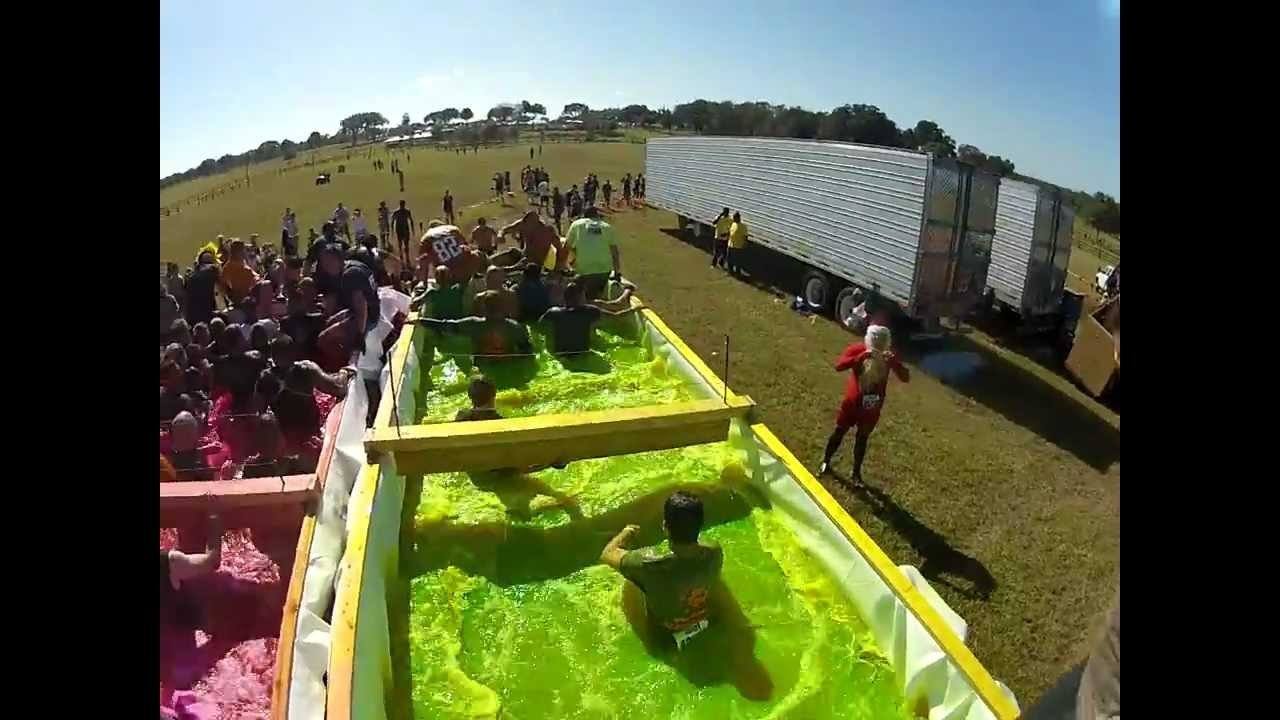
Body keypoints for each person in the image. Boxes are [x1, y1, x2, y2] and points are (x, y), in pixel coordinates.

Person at [818, 325, 909, 484]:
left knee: (862, 438)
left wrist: (893, 361)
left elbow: (905, 377)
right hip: (852, 403)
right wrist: (861, 357)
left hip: (871, 408)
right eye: (875, 340)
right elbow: (839, 366)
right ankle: (826, 461)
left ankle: (856, 473)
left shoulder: (888, 357)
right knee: (839, 431)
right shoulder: (858, 349)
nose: (877, 345)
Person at [417, 290, 532, 358]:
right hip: (508, 367)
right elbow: (528, 354)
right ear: (502, 308)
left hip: (483, 365)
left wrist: (421, 321)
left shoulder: (474, 325)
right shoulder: (515, 327)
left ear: (484, 309)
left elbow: (446, 326)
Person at [539, 281, 638, 355]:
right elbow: (616, 316)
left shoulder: (553, 312)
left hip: (560, 355)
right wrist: (635, 309)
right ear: (581, 297)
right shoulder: (589, 311)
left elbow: (540, 329)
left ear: (565, 297)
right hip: (584, 353)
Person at [563, 207, 622, 300]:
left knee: (585, 295)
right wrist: (617, 272)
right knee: (598, 294)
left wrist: (565, 266)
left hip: (583, 270)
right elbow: (615, 252)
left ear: (584, 216)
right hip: (604, 270)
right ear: (597, 216)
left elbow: (566, 247)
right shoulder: (607, 227)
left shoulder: (576, 225)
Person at [498, 211, 564, 270]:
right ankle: (490, 263)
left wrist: (559, 265)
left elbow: (559, 248)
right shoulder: (523, 224)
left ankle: (507, 270)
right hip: (524, 255)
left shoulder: (547, 231)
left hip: (536, 265)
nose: (527, 227)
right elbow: (505, 229)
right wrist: (501, 235)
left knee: (523, 262)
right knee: (511, 253)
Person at [220, 239, 260, 306]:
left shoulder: (239, 263)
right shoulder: (233, 266)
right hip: (242, 298)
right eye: (243, 249)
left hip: (245, 295)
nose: (245, 252)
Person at [184, 251, 220, 325]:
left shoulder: (192, 277)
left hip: (195, 315)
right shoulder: (216, 276)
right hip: (211, 314)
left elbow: (188, 297)